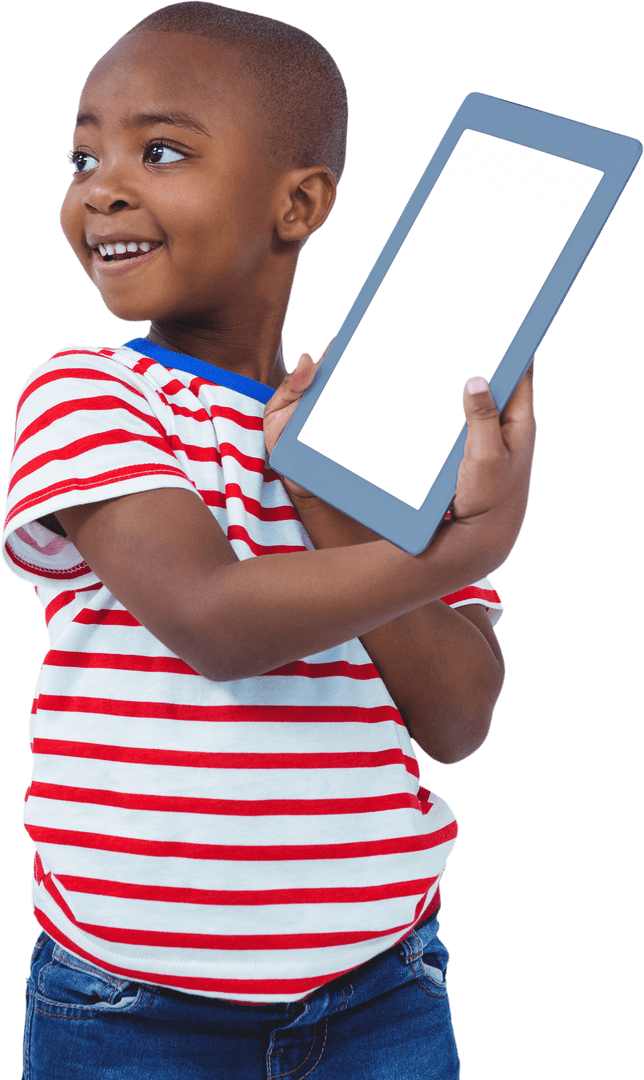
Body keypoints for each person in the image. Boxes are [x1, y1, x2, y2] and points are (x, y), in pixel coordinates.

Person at [2, 4, 535, 1078]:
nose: (101, 187)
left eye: (159, 151)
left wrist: (330, 494)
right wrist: (461, 549)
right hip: (129, 1006)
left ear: (299, 204)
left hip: (380, 987)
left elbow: (457, 717)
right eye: (83, 157)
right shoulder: (90, 396)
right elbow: (214, 624)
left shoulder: (386, 436)